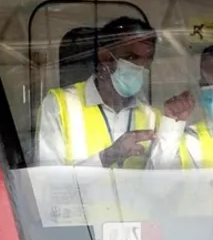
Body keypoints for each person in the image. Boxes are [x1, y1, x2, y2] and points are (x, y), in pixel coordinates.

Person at [34, 15, 163, 168]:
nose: (139, 67)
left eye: (146, 60)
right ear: (105, 57)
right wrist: (106, 157)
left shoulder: (152, 117)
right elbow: (49, 181)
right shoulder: (60, 105)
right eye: (131, 57)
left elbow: (163, 181)